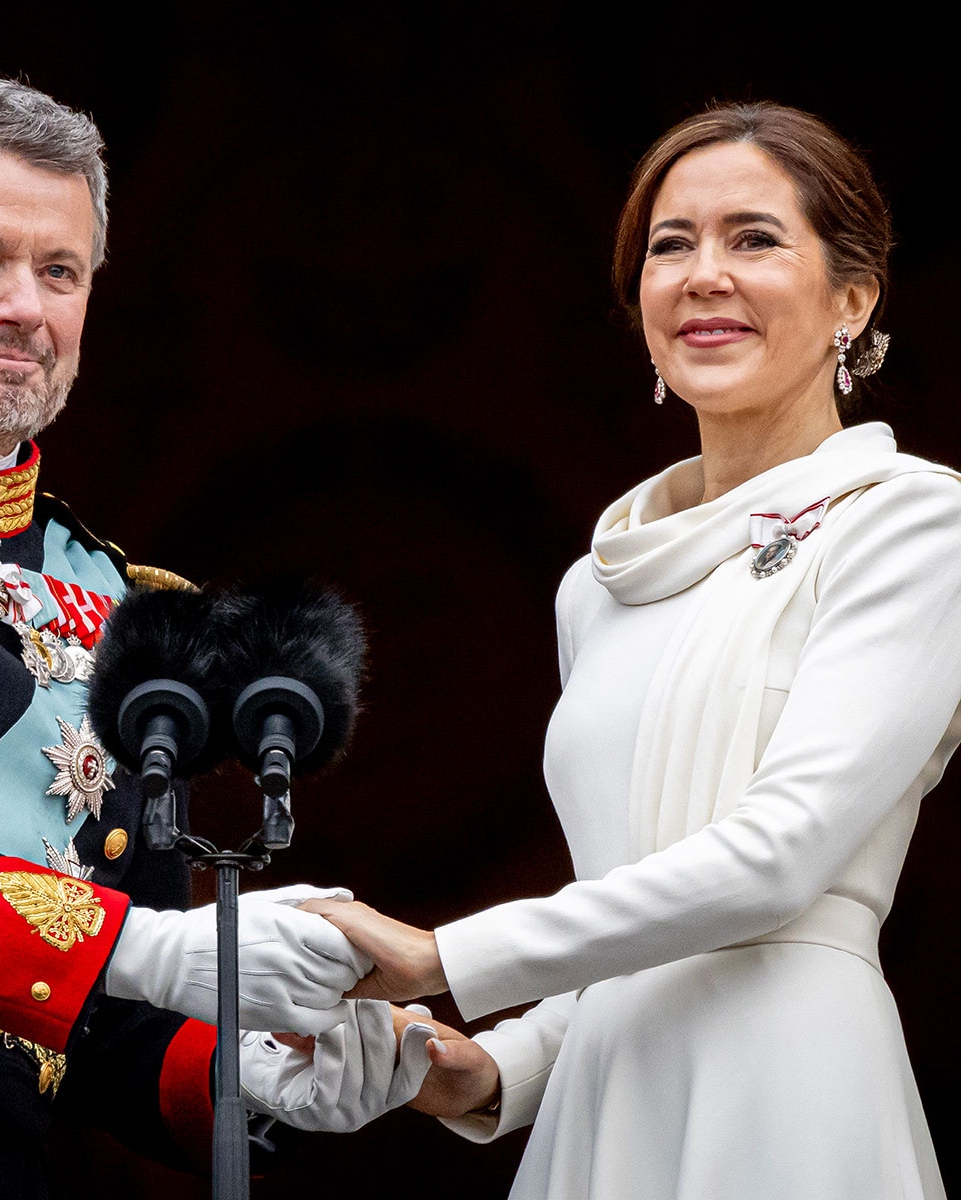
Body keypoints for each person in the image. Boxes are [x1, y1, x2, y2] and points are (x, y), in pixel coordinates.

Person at [0, 74, 431, 1198]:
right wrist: (151, 952)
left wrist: (249, 1068)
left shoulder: (126, 607)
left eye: (60, 270)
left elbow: (108, 1022)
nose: (27, 306)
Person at [306, 102, 960, 1199]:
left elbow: (776, 862)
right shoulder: (598, 583)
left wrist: (442, 958)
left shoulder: (911, 523)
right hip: (605, 1105)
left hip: (790, 1089)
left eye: (754, 238)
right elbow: (640, 907)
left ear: (853, 297)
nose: (705, 274)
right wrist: (495, 1068)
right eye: (671, 245)